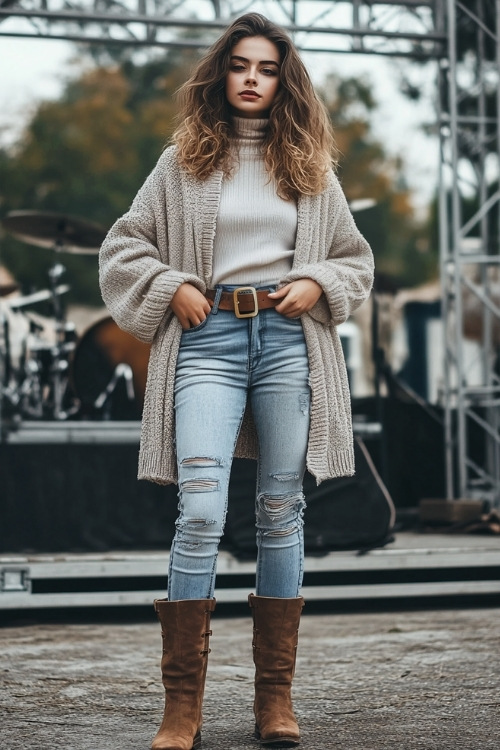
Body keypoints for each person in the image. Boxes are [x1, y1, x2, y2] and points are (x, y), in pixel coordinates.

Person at [99, 12, 374, 750]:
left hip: (289, 341)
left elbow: (355, 259)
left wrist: (318, 282)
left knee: (282, 509)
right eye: (241, 65)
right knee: (200, 510)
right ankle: (181, 708)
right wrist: (169, 284)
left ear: (284, 81)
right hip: (206, 339)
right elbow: (123, 247)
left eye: (267, 68)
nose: (253, 79)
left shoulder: (311, 166)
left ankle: (273, 703)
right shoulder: (182, 162)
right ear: (221, 73)